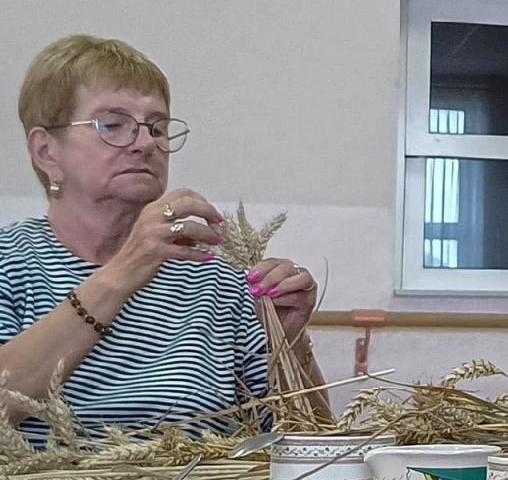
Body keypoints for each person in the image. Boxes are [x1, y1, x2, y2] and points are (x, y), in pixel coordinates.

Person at [1, 35, 324, 441]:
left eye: (158, 127)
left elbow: (312, 443)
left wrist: (289, 344)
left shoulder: (216, 279)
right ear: (46, 151)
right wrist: (123, 273)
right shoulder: (10, 261)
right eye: (112, 125)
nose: (146, 143)